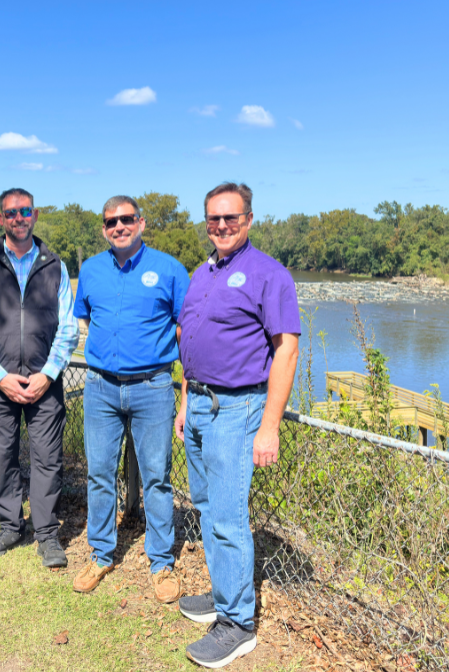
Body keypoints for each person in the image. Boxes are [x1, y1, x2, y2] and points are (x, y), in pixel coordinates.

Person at [174, 182, 300, 668]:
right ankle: (224, 594)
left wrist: (269, 426)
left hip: (239, 409)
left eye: (230, 217)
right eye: (213, 219)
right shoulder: (203, 271)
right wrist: (186, 401)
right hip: (202, 404)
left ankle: (238, 623)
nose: (221, 226)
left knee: (227, 515)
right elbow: (192, 342)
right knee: (207, 505)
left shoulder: (269, 274)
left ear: (248, 219)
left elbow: (286, 350)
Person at [70, 195, 190, 602]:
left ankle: (161, 562)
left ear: (141, 222)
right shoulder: (91, 269)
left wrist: (184, 386)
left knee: (157, 477)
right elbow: (84, 316)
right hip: (101, 387)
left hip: (153, 388)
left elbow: (185, 328)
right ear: (104, 228)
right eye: (110, 222)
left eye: (125, 220)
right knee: (100, 473)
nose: (118, 227)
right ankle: (101, 554)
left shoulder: (169, 269)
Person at [0, 187, 79, 566]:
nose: (18, 218)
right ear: (1, 219)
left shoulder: (55, 266)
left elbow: (68, 328)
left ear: (35, 214)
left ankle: (46, 534)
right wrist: (0, 376)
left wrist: (48, 373)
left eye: (24, 211)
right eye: (10, 213)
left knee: (48, 458)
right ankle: (11, 526)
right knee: (0, 455)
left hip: (45, 380)